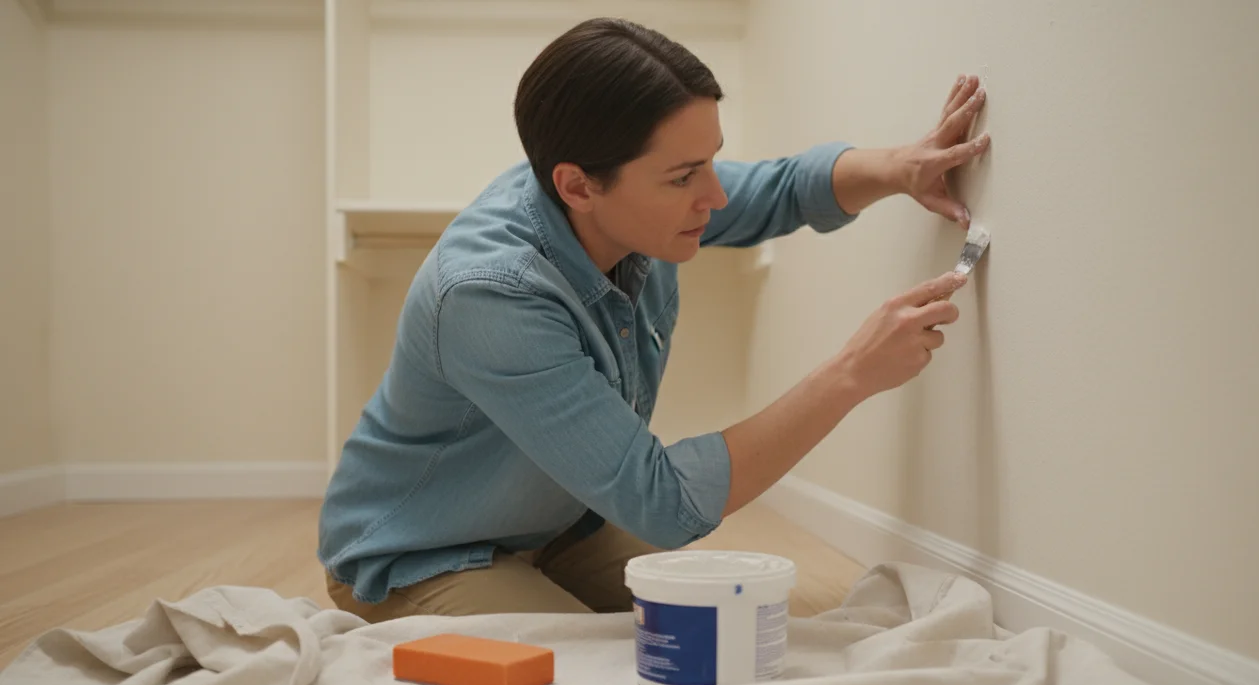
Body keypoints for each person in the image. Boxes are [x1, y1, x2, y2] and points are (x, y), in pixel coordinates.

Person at [319, 17, 989, 622]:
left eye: (711, 160)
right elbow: (663, 501)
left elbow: (779, 189)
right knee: (591, 678)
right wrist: (850, 373)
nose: (715, 195)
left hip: (560, 525)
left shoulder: (627, 203)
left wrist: (901, 167)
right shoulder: (491, 295)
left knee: (723, 623)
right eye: (685, 176)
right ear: (577, 185)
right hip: (421, 550)